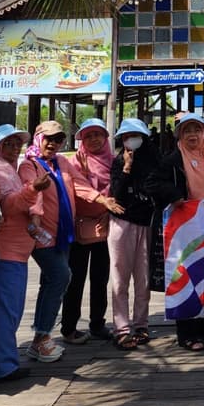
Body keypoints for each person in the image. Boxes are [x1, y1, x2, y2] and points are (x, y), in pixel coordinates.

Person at [18, 119, 110, 364]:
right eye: (49, 138)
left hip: (63, 234)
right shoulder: (30, 165)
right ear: (38, 138)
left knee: (50, 282)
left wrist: (102, 201)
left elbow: (80, 186)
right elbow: (31, 192)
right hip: (42, 234)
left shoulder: (62, 162)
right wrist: (36, 217)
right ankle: (42, 338)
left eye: (58, 139)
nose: (53, 143)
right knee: (61, 277)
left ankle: (41, 336)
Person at [145, 113, 204, 352]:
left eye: (197, 130)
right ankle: (186, 333)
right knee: (184, 278)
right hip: (182, 230)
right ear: (179, 135)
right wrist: (175, 196)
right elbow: (152, 183)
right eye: (187, 131)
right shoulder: (173, 159)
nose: (193, 135)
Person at [0, 124, 48, 384]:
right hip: (4, 250)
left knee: (8, 309)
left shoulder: (6, 167)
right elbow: (9, 206)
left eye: (16, 143)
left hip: (14, 250)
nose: (13, 148)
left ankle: (1, 361)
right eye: (7, 143)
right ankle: (1, 366)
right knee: (4, 310)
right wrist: (33, 190)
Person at [62, 118, 122, 344]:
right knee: (74, 279)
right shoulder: (75, 163)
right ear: (82, 140)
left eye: (98, 134)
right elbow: (75, 190)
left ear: (106, 138)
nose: (94, 139)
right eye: (88, 136)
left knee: (100, 277)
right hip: (79, 227)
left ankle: (97, 323)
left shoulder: (115, 162)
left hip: (106, 226)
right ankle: (69, 326)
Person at [108, 118, 159, 351]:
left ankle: (141, 324)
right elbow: (116, 196)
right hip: (122, 224)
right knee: (119, 278)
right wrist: (127, 168)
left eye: (135, 135)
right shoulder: (118, 162)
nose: (132, 140)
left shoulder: (152, 161)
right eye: (127, 136)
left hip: (145, 224)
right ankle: (122, 328)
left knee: (143, 278)